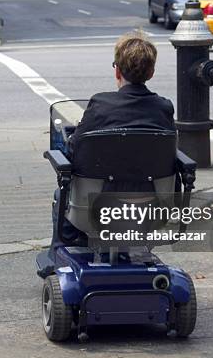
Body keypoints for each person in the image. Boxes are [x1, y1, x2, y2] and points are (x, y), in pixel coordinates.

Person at [38, 33, 176, 277]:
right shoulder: (163, 108)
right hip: (148, 211)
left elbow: (76, 149)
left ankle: (60, 252)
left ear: (117, 71)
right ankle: (133, 247)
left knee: (63, 190)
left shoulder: (100, 105)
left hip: (93, 211)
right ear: (151, 73)